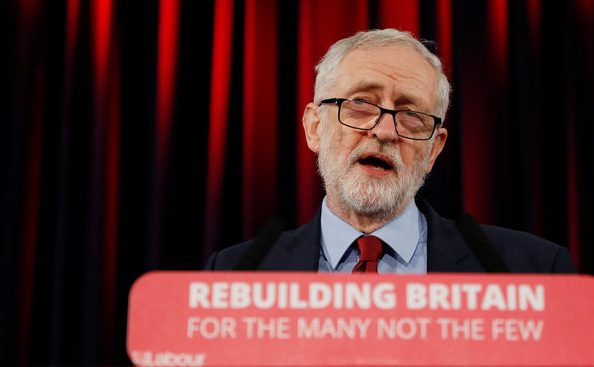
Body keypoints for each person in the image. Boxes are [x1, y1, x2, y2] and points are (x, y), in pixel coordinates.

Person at [206, 29, 575, 273]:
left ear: (434, 149)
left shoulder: (533, 270)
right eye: (361, 104)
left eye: (411, 115)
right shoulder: (233, 275)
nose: (384, 132)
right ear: (315, 127)